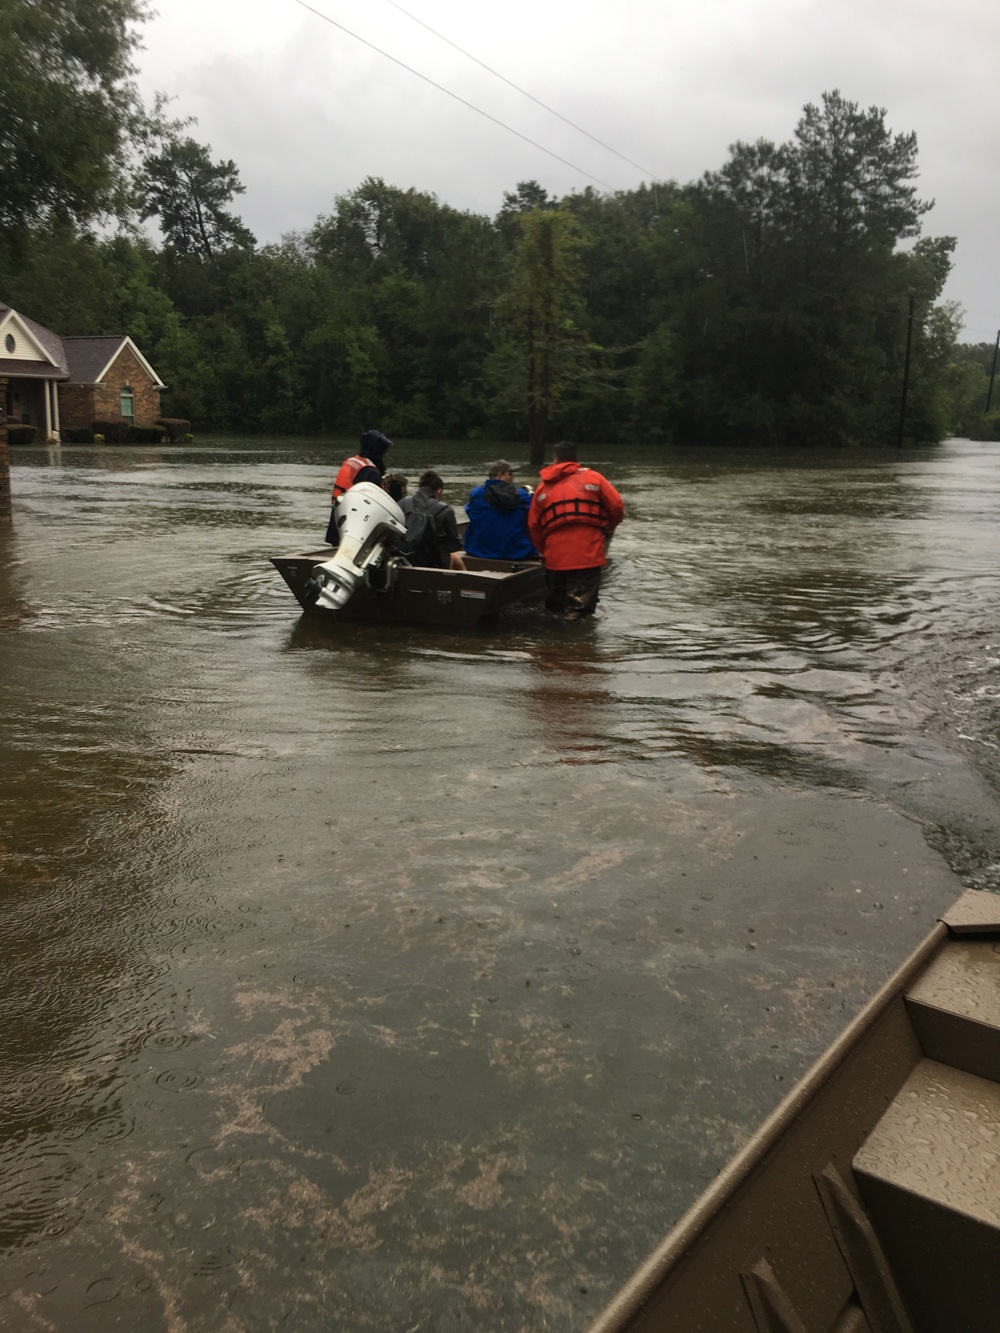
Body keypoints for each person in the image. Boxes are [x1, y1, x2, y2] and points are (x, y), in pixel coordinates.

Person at [527, 441, 624, 621]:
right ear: (576, 459)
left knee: (556, 609)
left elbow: (534, 525)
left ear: (555, 459)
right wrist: (608, 528)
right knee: (578, 612)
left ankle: (554, 643)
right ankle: (578, 644)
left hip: (555, 558)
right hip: (587, 556)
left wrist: (543, 551)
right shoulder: (594, 478)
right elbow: (617, 506)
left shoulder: (542, 488)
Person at [325, 429, 393, 543]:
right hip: (353, 528)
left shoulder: (352, 461)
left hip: (337, 520)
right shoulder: (371, 472)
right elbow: (375, 506)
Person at [464, 459, 537, 561]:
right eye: (510, 474)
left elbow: (469, 511)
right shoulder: (523, 496)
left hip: (480, 551)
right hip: (517, 552)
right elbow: (535, 518)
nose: (513, 477)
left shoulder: (476, 494)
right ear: (500, 475)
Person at [400, 470, 467, 570]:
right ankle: (465, 583)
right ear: (439, 490)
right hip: (433, 564)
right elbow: (454, 546)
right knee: (456, 559)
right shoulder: (445, 510)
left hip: (404, 559)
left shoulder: (402, 504)